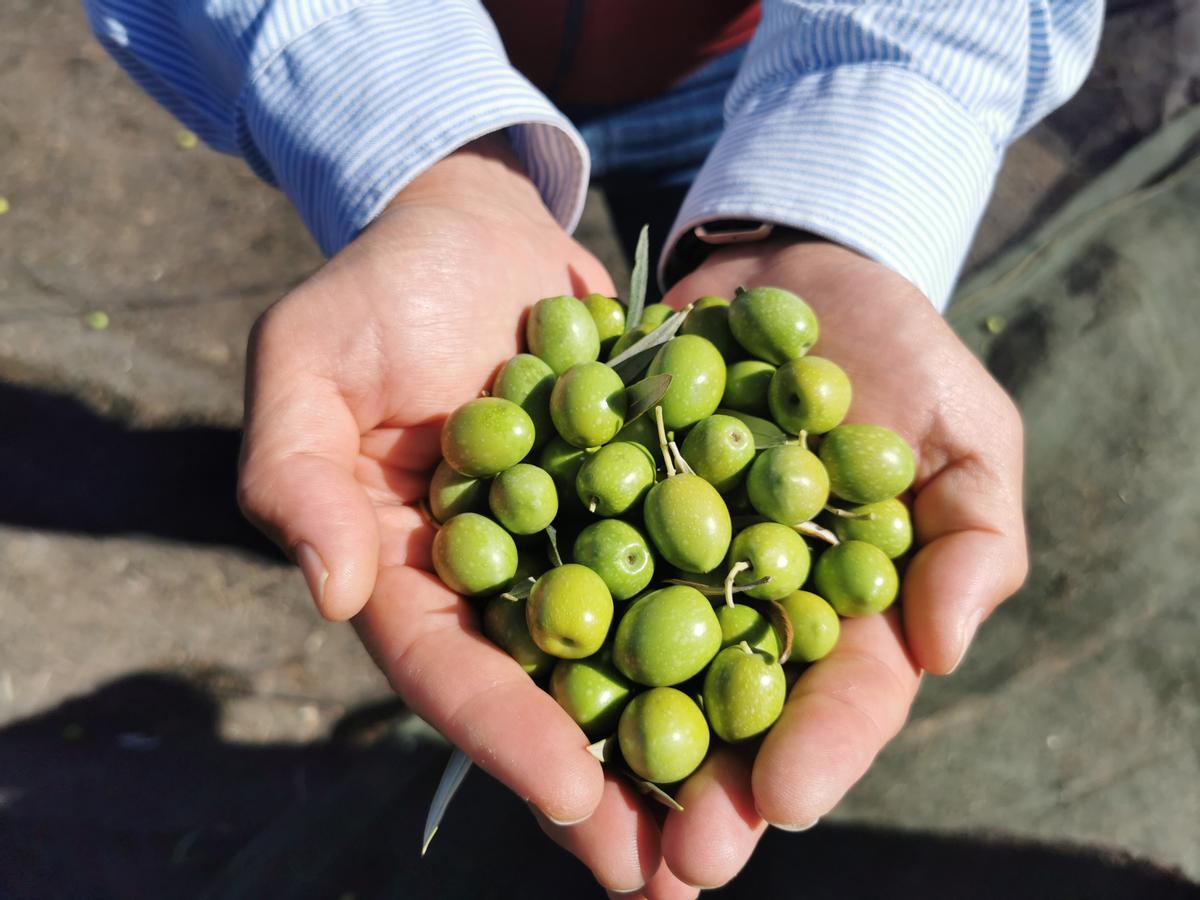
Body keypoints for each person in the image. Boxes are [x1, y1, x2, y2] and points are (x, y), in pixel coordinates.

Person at [82, 2, 1103, 896]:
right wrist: (426, 156)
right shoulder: (589, 487)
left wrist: (838, 193)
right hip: (430, 51)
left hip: (740, 65)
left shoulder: (758, 496)